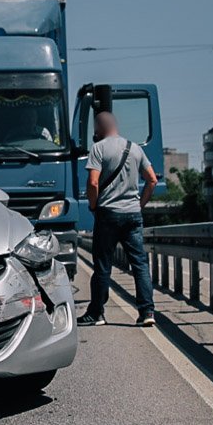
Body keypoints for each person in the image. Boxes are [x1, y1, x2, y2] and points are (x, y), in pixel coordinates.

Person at [78, 111, 158, 327]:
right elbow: (152, 180)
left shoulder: (98, 148)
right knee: (140, 264)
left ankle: (96, 314)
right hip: (133, 215)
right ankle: (147, 312)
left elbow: (93, 183)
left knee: (103, 265)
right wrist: (139, 205)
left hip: (108, 214)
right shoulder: (136, 148)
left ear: (99, 128)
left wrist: (94, 206)